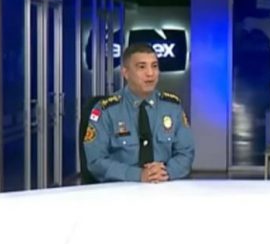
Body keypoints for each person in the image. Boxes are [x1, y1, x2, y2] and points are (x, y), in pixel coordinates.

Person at [83, 43, 195, 183]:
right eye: (142, 67)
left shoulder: (172, 107)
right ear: (126, 73)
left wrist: (166, 172)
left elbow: (186, 153)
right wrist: (138, 175)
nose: (150, 73)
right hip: (120, 189)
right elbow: (96, 160)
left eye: (154, 66)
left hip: (163, 186)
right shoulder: (106, 110)